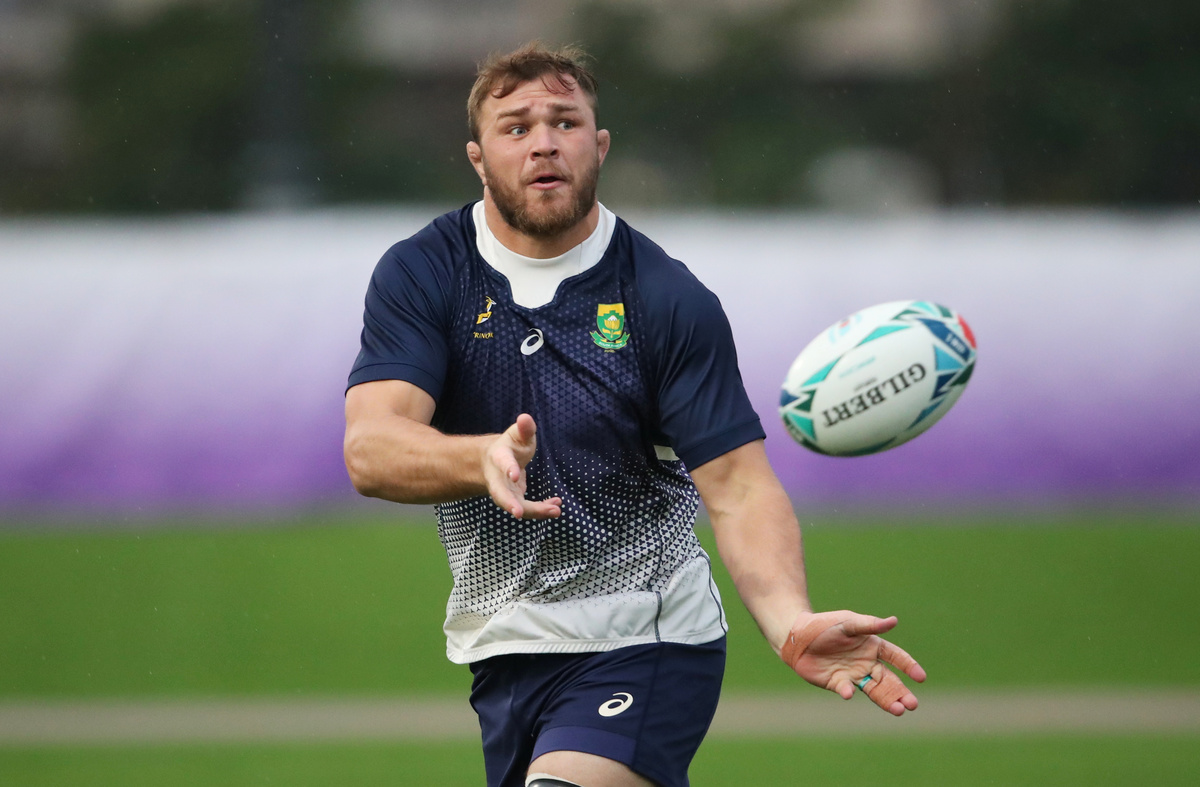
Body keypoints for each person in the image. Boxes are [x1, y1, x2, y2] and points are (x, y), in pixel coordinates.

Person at [344, 42, 925, 787]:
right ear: (478, 159)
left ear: (600, 145)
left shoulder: (665, 298)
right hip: (504, 648)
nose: (544, 142)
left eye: (565, 122)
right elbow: (371, 449)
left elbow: (738, 486)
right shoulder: (426, 272)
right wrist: (476, 457)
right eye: (516, 127)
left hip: (648, 636)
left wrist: (790, 619)